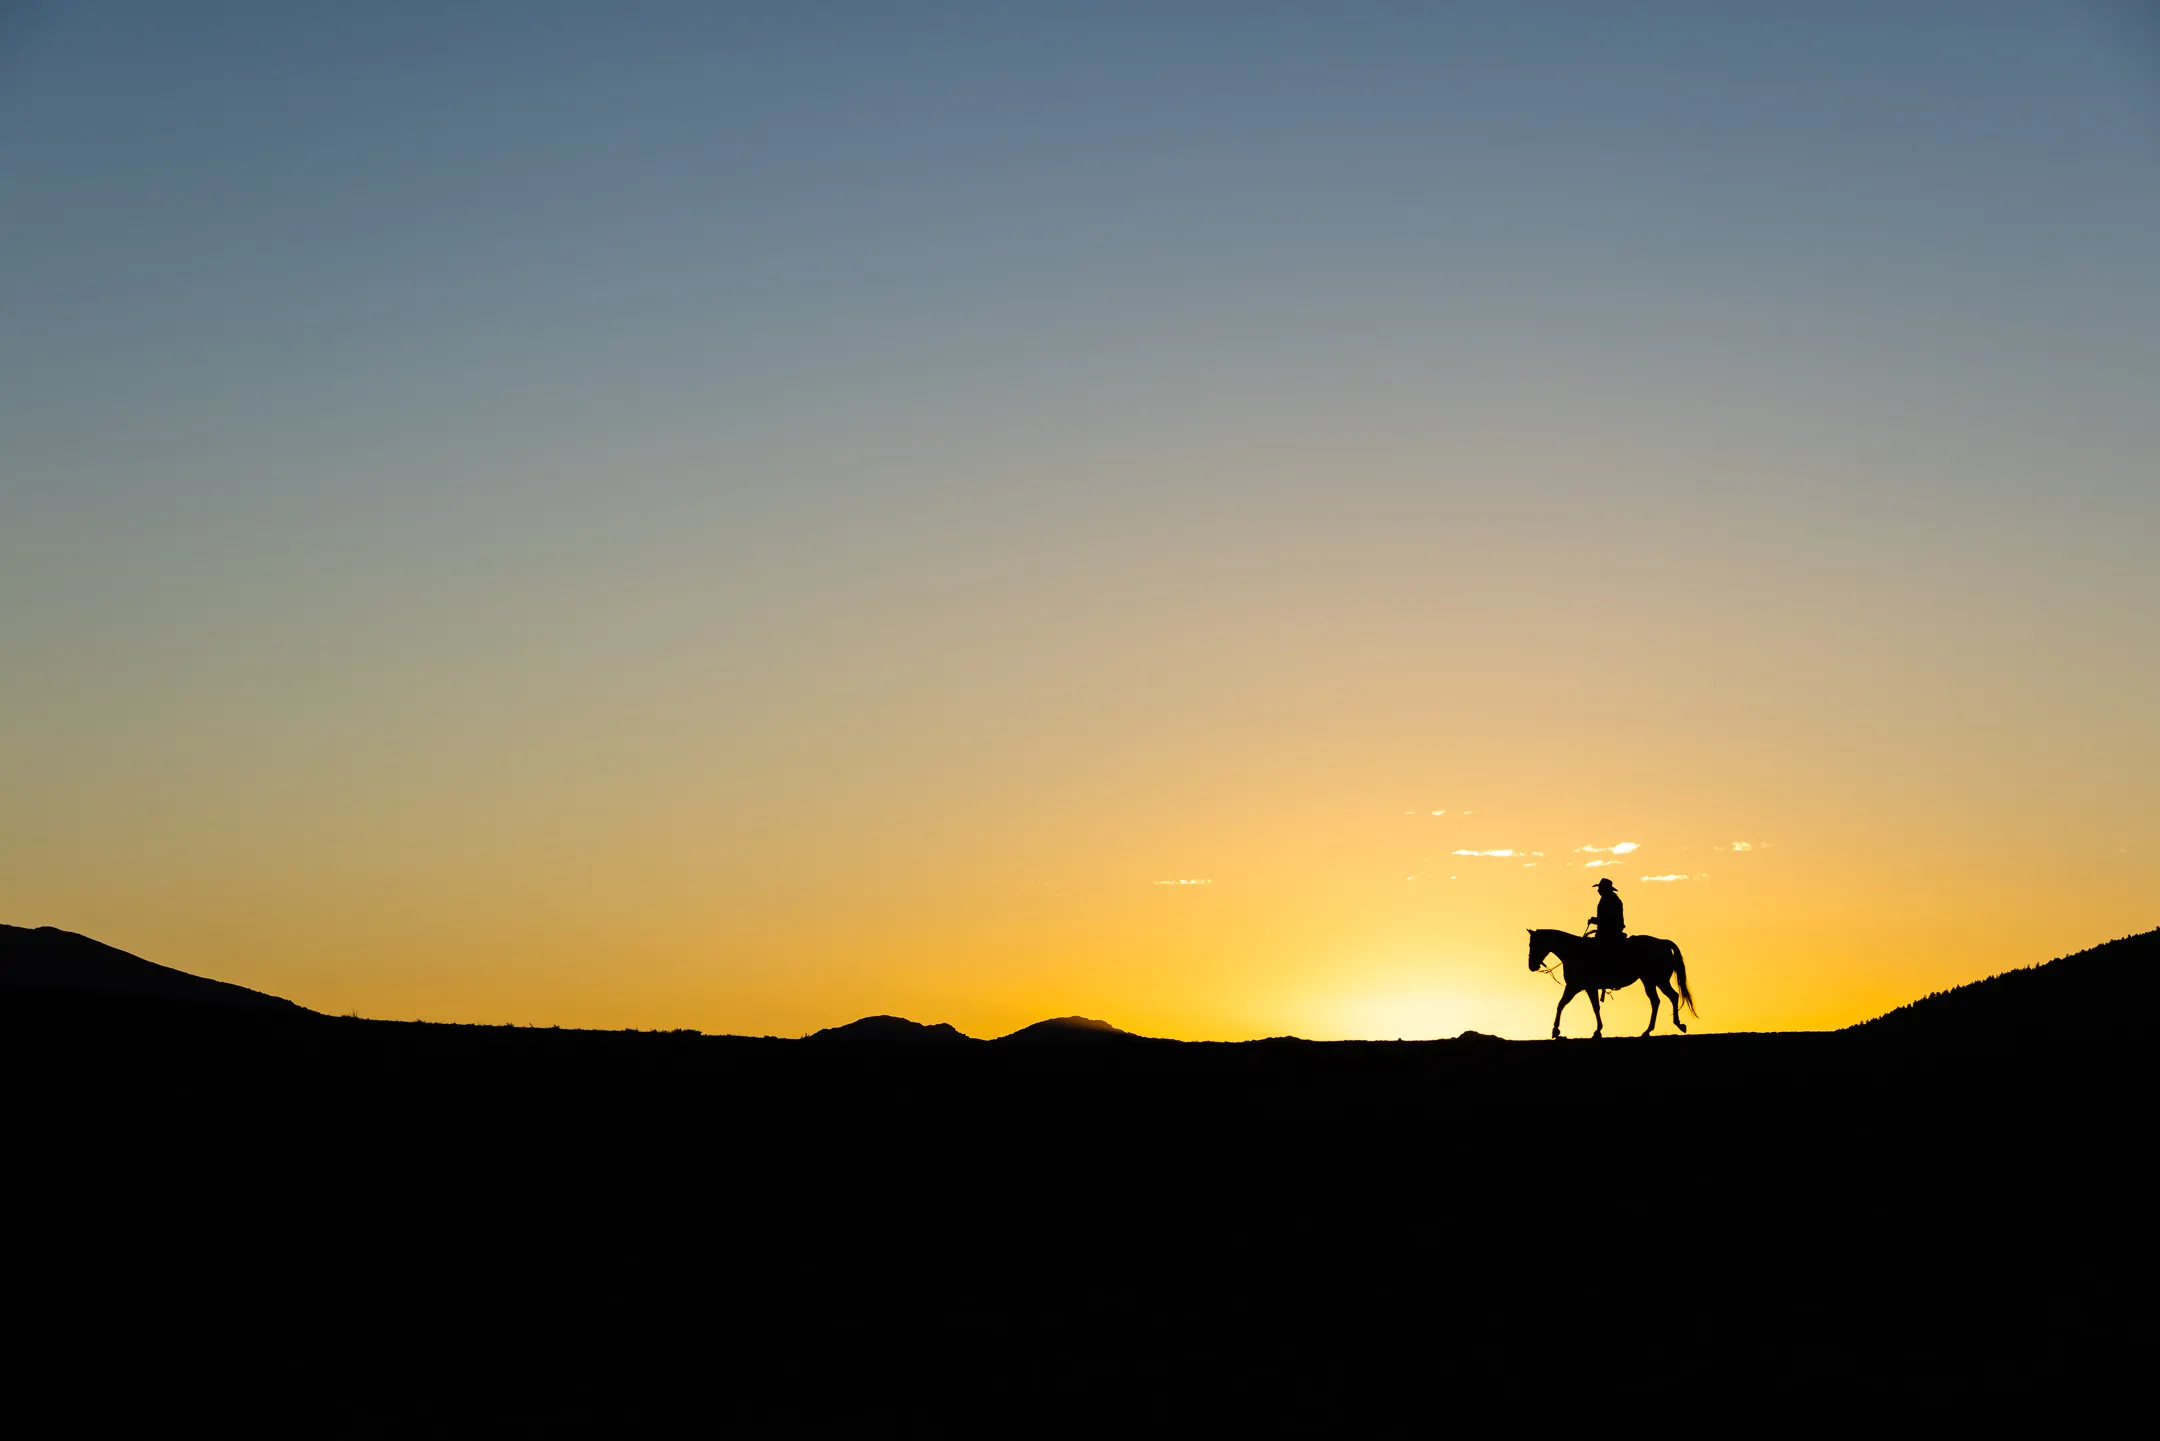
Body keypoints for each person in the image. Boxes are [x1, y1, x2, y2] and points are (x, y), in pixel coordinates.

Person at [1588, 877, 1626, 947]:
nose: (1598, 890)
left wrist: (1595, 920)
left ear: (1605, 889)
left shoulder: (1608, 900)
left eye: (1600, 888)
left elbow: (1607, 919)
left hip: (1608, 933)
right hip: (1613, 930)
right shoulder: (1612, 899)